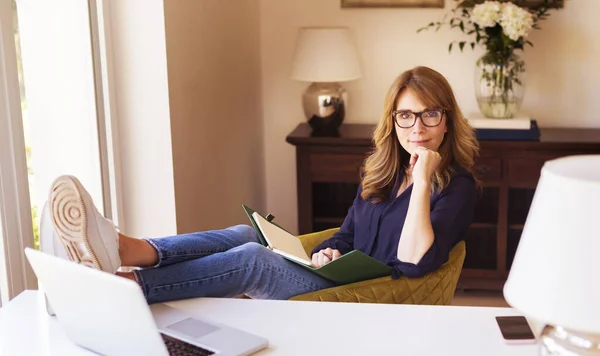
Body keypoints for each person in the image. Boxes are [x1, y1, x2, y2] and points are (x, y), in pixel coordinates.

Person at [42, 65, 479, 304]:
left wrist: (422, 180)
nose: (417, 127)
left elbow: (415, 264)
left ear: (446, 121)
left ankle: (129, 288)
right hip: (336, 274)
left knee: (253, 259)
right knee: (245, 234)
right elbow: (348, 235)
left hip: (365, 294)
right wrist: (331, 251)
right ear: (393, 121)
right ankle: (125, 249)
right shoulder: (381, 172)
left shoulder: (455, 185)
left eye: (429, 115)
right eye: (406, 115)